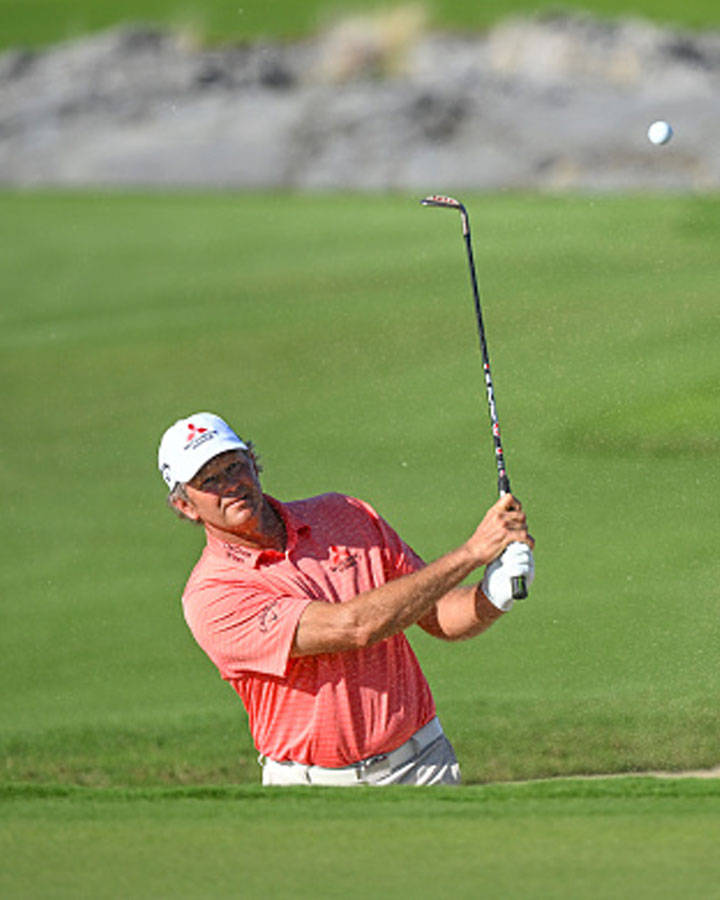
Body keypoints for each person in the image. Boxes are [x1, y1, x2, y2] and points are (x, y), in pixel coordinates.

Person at [158, 411, 535, 786]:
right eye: (209, 480)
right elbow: (352, 627)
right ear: (185, 506)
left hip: (423, 766)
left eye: (234, 466)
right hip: (312, 790)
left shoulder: (343, 515)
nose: (230, 485)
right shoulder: (212, 594)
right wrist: (472, 552)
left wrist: (493, 594)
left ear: (254, 463)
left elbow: (437, 613)